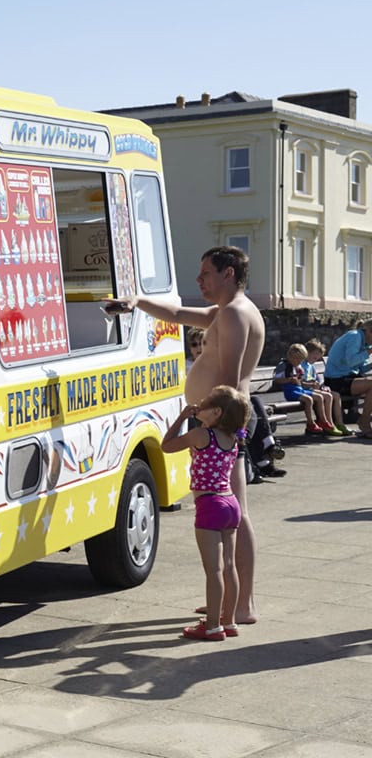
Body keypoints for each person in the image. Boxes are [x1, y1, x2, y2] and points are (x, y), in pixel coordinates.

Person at [106, 245, 264, 624]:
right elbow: (176, 314)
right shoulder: (227, 313)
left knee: (234, 515)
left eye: (206, 274)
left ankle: (241, 606)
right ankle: (229, 600)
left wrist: (213, 432)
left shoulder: (234, 315)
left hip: (223, 426)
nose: (199, 281)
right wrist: (137, 302)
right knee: (231, 513)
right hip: (220, 424)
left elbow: (228, 381)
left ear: (229, 274)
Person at [161, 385, 250, 640]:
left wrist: (181, 417)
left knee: (213, 570)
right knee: (229, 566)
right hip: (230, 503)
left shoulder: (201, 434)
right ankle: (229, 621)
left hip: (210, 506)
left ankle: (211, 626)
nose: (200, 403)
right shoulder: (233, 438)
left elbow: (166, 446)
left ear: (217, 412)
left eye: (206, 402)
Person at [190, 327, 284, 479]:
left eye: (203, 343)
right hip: (206, 412)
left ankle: (257, 452)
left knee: (253, 403)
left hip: (222, 408)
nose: (199, 348)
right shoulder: (190, 367)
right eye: (194, 345)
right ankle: (262, 453)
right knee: (247, 413)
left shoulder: (216, 364)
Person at [273, 343, 345, 436]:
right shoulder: (284, 365)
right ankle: (311, 423)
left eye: (300, 360)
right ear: (290, 356)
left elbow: (300, 380)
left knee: (319, 397)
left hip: (299, 389)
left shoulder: (297, 366)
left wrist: (300, 378)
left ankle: (323, 421)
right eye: (297, 360)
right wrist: (289, 380)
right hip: (291, 391)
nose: (299, 363)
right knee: (309, 399)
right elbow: (276, 380)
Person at [323, 320, 372, 438]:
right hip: (336, 380)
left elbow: (360, 368)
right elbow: (351, 361)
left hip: (347, 378)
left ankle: (364, 421)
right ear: (370, 332)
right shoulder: (354, 337)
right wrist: (368, 352)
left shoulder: (363, 341)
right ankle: (364, 422)